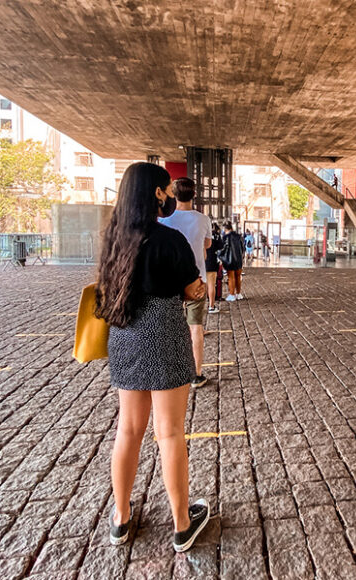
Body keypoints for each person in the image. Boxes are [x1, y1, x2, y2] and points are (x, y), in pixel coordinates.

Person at [94, 162, 210, 553]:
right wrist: (200, 291)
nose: (168, 197)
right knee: (171, 432)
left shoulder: (113, 240)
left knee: (128, 430)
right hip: (163, 333)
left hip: (125, 335)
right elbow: (193, 290)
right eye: (165, 190)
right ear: (157, 194)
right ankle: (181, 524)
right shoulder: (169, 240)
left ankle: (121, 518)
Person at [159, 177, 211, 388]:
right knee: (196, 326)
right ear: (194, 195)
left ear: (173, 194)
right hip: (197, 279)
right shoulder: (203, 220)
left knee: (168, 325)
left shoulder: (163, 221)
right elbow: (207, 245)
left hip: (169, 281)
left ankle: (169, 370)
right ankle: (196, 373)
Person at [221, 223, 245, 301]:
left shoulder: (225, 237)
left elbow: (222, 249)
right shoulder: (239, 236)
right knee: (238, 276)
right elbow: (242, 248)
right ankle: (238, 293)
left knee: (231, 277)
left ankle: (232, 295)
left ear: (225, 229)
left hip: (229, 260)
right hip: (239, 260)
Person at [205, 223, 222, 313]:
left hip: (200, 262)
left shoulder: (200, 232)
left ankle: (195, 307)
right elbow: (221, 246)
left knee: (200, 285)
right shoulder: (216, 235)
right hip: (211, 262)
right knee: (211, 285)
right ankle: (211, 306)